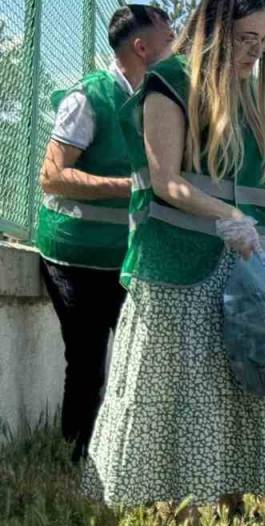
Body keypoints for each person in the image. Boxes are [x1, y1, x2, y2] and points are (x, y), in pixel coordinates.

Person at [83, 0, 265, 525]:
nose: (256, 52)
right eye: (246, 39)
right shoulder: (168, 82)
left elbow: (253, 186)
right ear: (214, 31)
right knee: (176, 393)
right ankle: (177, 512)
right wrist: (228, 216)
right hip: (176, 268)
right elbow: (167, 180)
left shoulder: (244, 95)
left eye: (264, 42)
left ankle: (232, 502)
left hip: (236, 270)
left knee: (236, 387)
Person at [34, 5, 174, 464]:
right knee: (89, 361)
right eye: (167, 37)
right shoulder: (89, 97)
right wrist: (130, 187)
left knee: (139, 360)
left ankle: (121, 457)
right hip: (73, 257)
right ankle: (74, 456)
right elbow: (53, 177)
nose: (173, 44)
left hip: (126, 259)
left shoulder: (159, 97)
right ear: (141, 47)